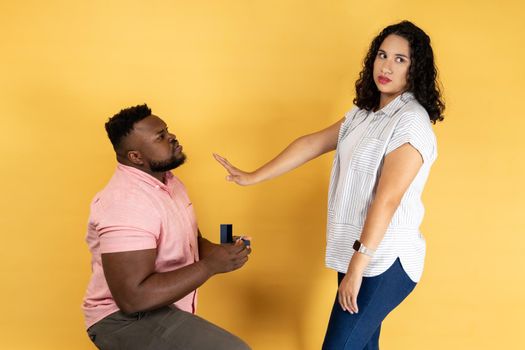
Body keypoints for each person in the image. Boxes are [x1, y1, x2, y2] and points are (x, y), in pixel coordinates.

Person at [214, 20, 444, 349]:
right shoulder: (364, 114)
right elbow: (311, 144)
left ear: (415, 68)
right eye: (382, 55)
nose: (386, 66)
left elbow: (387, 200)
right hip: (357, 253)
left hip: (384, 260)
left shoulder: (411, 122)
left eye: (399, 59)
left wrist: (356, 269)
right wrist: (252, 177)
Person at [82, 104, 251, 350]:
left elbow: (190, 238)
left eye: (167, 130)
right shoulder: (126, 204)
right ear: (136, 157)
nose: (171, 137)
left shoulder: (168, 182)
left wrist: (219, 252)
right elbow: (132, 298)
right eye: (160, 136)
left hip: (161, 308)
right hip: (121, 319)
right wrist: (210, 266)